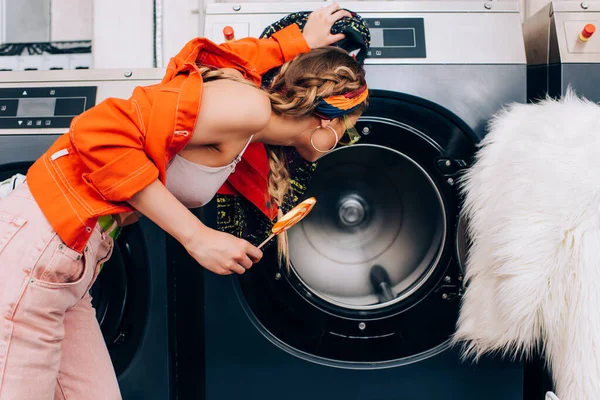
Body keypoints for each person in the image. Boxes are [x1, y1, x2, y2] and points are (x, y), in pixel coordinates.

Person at [0, 3, 370, 399]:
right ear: (326, 121)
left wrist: (294, 43)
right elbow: (96, 132)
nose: (345, 141)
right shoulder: (249, 108)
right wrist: (197, 236)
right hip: (42, 245)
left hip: (72, 260)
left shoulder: (249, 116)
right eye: (348, 130)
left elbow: (229, 64)